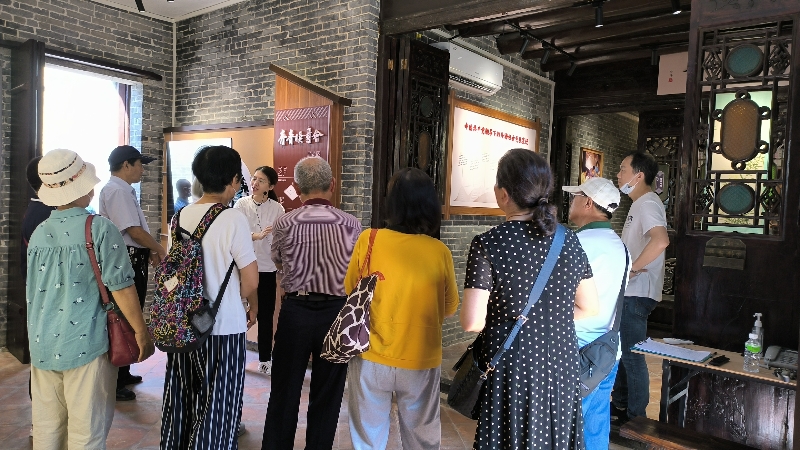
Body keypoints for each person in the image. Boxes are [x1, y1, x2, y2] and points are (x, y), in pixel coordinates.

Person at [460, 148, 599, 450]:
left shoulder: (489, 243)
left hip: (513, 365)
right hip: (561, 363)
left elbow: (472, 322)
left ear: (503, 194)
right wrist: (546, 323)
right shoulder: (569, 240)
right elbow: (590, 307)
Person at [27, 149, 155, 448]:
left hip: (42, 343)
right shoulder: (99, 228)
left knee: (47, 428)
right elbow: (122, 287)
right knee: (87, 431)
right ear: (82, 186)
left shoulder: (39, 232)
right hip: (87, 342)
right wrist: (141, 332)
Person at [345, 168, 459, 449]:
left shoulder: (369, 239)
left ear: (392, 203)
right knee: (422, 439)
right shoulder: (439, 252)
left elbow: (350, 290)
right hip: (421, 359)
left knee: (367, 437)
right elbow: (449, 308)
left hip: (370, 354)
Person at [159, 145, 259, 449]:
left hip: (183, 324)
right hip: (222, 325)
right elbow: (251, 280)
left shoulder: (179, 217)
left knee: (182, 396)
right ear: (233, 180)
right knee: (219, 403)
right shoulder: (232, 219)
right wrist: (241, 302)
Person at [262, 156, 361, 450]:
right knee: (328, 393)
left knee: (284, 390)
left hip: (296, 311)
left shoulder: (284, 222)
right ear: (333, 184)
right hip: (337, 313)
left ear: (297, 186)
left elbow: (278, 261)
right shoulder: (352, 224)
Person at [562, 177, 630, 449]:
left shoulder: (573, 243)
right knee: (595, 427)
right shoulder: (621, 247)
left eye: (576, 196)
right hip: (606, 353)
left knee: (562, 430)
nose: (571, 202)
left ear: (588, 203)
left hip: (573, 352)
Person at [98, 144, 167, 400]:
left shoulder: (123, 189)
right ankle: (116, 380)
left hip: (133, 256)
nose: (142, 170)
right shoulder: (116, 190)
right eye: (139, 165)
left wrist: (148, 250)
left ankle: (124, 371)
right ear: (126, 165)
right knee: (123, 314)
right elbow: (133, 231)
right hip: (125, 259)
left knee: (129, 313)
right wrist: (159, 248)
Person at [611, 151, 670, 425]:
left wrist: (633, 268)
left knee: (632, 356)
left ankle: (636, 419)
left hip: (637, 293)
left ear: (639, 175)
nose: (618, 175)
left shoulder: (647, 203)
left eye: (623, 169)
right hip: (631, 291)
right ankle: (622, 406)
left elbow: (661, 240)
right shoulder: (640, 203)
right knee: (625, 353)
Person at [234, 166, 285, 375]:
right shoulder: (241, 204)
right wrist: (257, 235)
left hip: (267, 268)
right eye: (254, 179)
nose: (254, 183)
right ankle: (237, 357)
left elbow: (282, 238)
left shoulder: (277, 208)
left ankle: (265, 359)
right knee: (239, 313)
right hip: (244, 267)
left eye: (261, 180)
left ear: (270, 187)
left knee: (265, 316)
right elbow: (236, 234)